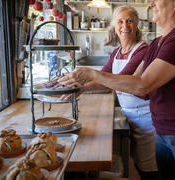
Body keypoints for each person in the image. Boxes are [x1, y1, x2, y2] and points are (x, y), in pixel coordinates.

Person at [59, 0, 175, 179]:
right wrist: (82, 87)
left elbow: (142, 85)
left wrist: (91, 74)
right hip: (163, 130)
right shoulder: (158, 42)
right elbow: (130, 80)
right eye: (119, 21)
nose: (151, 3)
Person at [60, 6, 159, 180]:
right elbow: (105, 82)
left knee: (149, 167)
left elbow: (121, 78)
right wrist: (81, 88)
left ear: (136, 25)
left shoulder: (143, 50)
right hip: (131, 117)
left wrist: (87, 77)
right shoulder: (116, 53)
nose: (125, 25)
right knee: (138, 160)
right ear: (114, 26)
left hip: (147, 118)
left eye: (129, 21)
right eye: (120, 21)